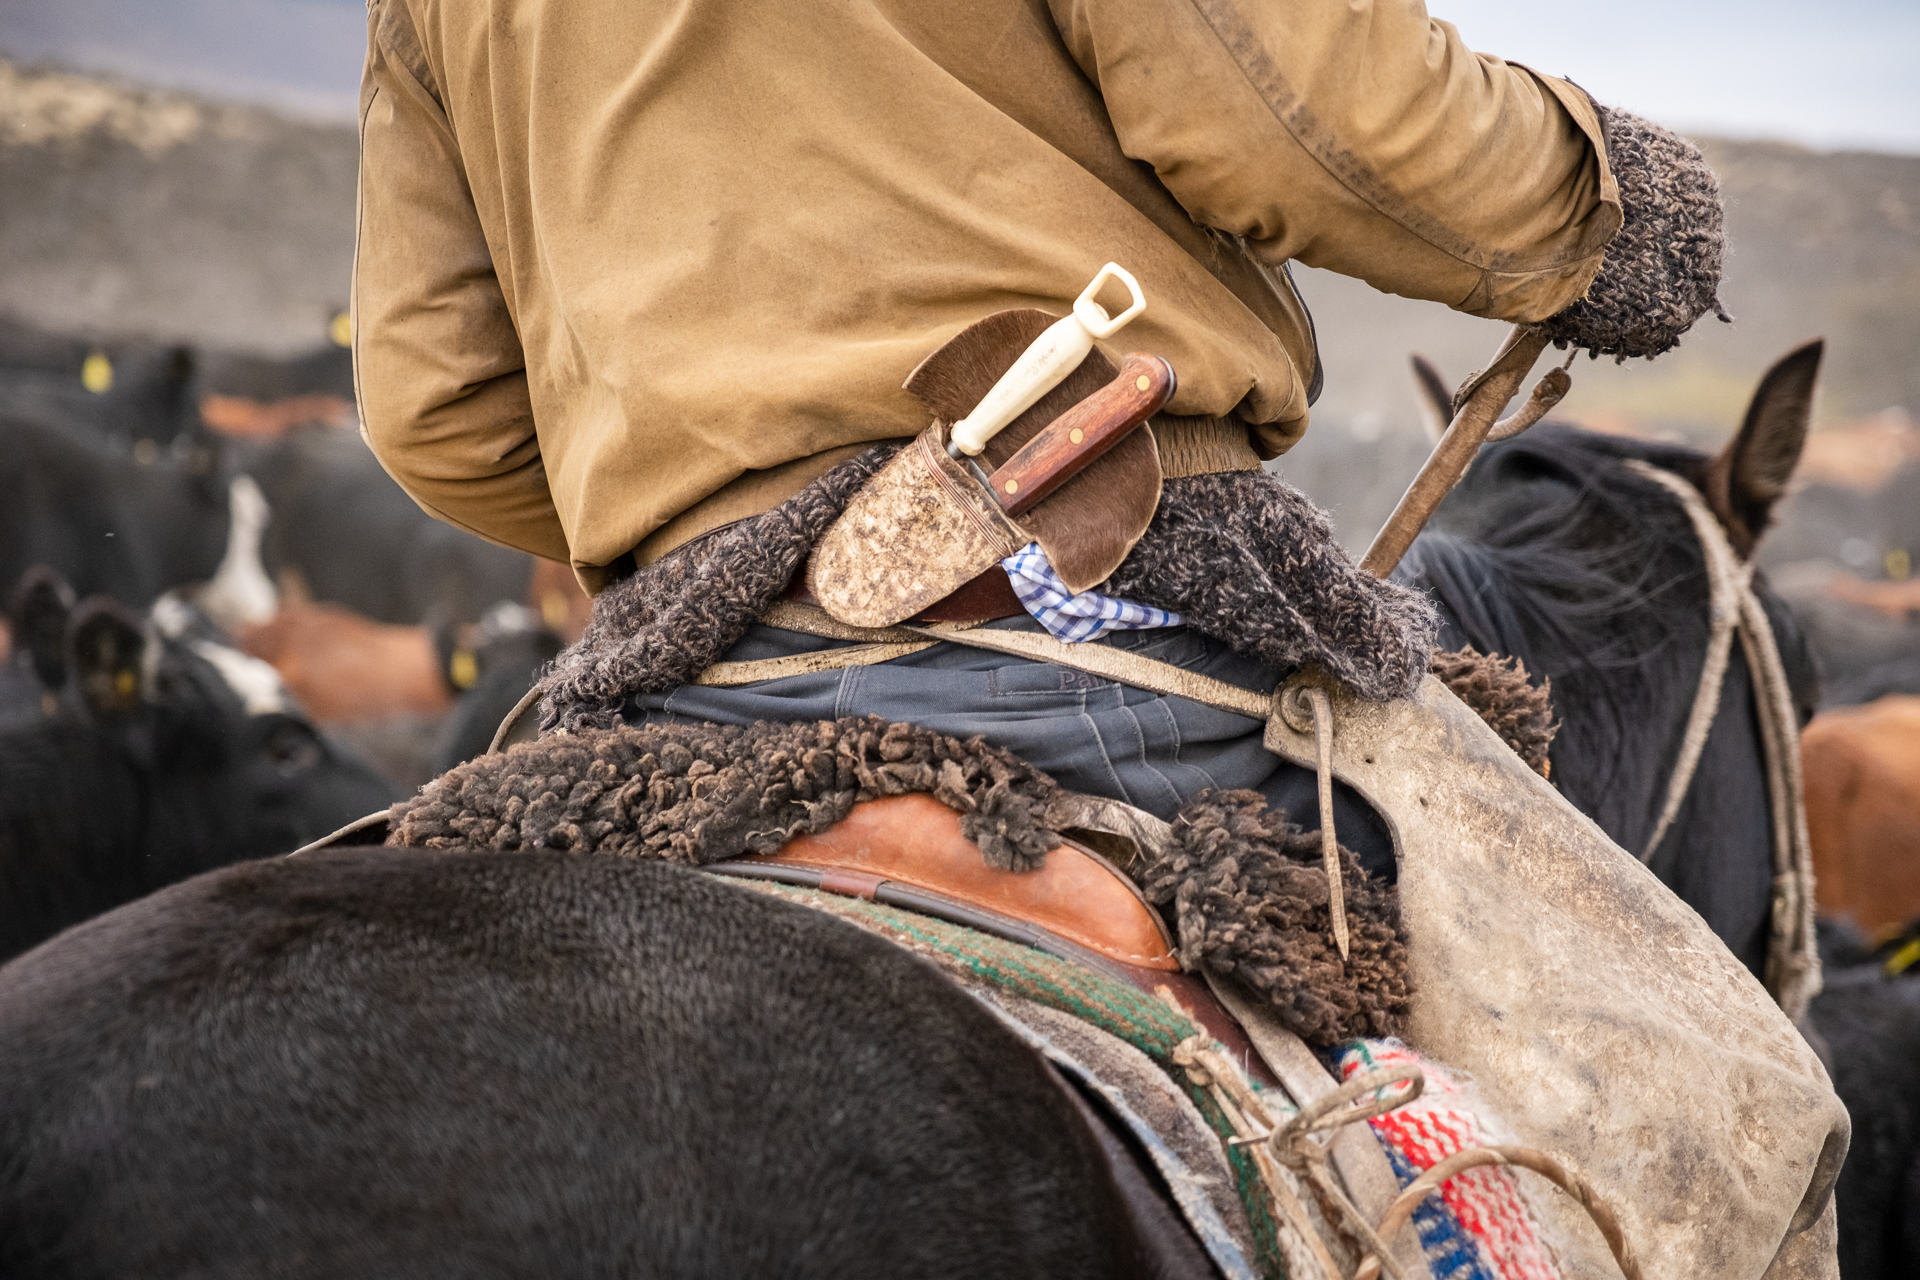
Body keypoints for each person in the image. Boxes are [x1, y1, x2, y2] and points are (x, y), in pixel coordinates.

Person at [351, 0, 1721, 871]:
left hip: (695, 674)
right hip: (1102, 617)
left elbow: (442, 406)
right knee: (1716, 1082)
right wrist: (1600, 200)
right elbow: (1305, 116)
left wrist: (717, 507)